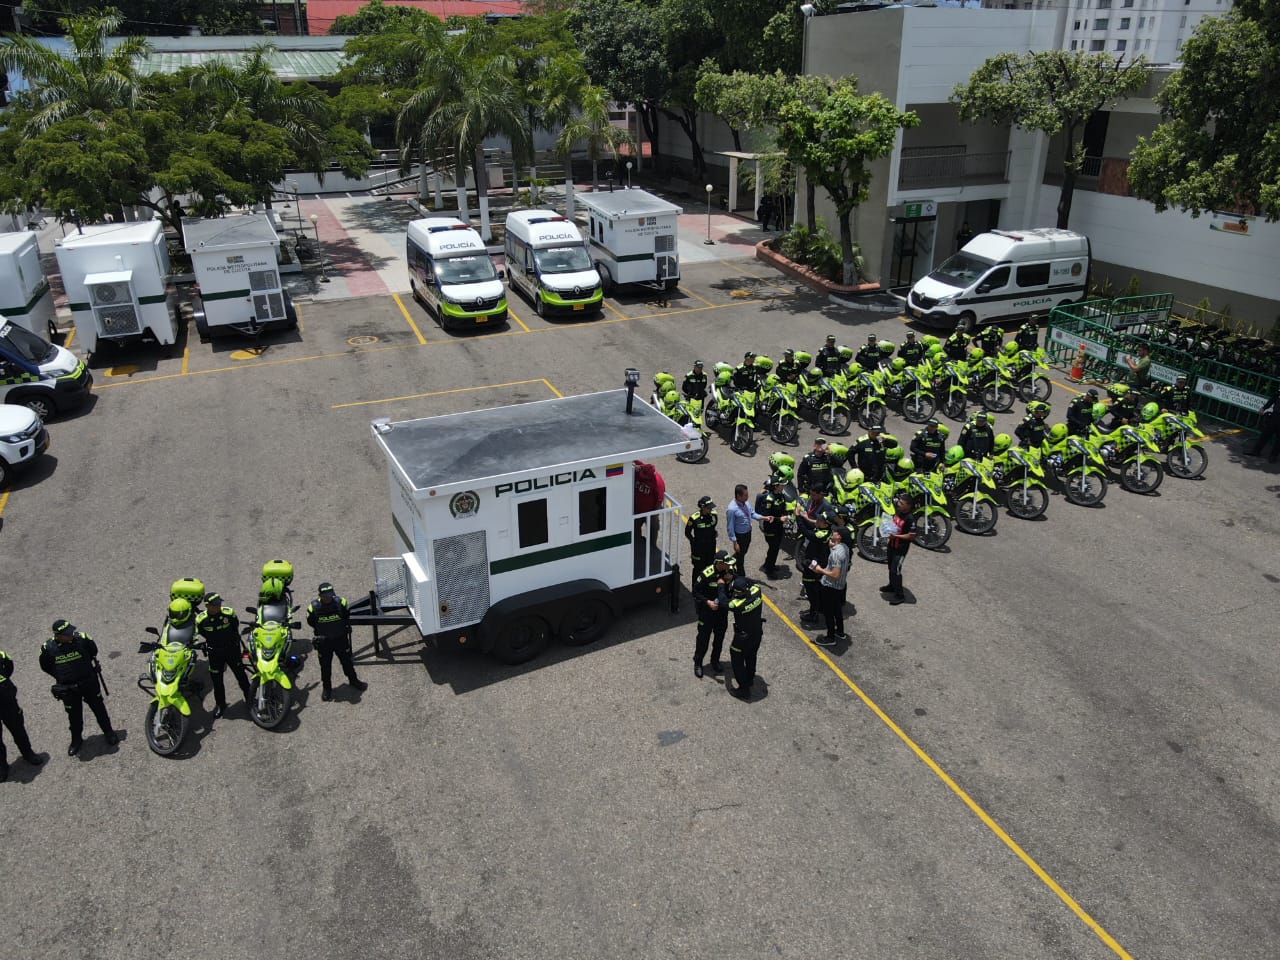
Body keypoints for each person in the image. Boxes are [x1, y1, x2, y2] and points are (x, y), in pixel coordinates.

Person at [39, 619, 117, 756]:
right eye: (67, 634)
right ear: (58, 636)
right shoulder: (48, 648)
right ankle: (76, 740)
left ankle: (109, 732)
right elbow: (45, 666)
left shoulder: (83, 639)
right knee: (74, 716)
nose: (71, 635)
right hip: (68, 689)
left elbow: (93, 651)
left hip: (88, 683)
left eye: (71, 631)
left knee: (99, 709)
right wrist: (62, 675)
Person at [306, 583, 367, 702]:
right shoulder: (313, 607)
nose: (328, 598)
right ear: (320, 595)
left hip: (340, 640)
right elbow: (311, 622)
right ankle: (327, 688)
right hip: (324, 643)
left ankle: (354, 681)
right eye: (326, 596)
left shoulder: (341, 602)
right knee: (325, 667)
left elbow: (346, 615)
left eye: (330, 595)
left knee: (347, 662)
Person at [195, 592, 252, 719]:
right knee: (217, 681)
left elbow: (235, 626)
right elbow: (202, 632)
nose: (219, 606)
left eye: (219, 603)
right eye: (215, 605)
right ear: (208, 606)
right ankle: (221, 704)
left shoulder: (228, 613)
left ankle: (250, 698)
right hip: (215, 653)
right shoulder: (201, 619)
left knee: (241, 675)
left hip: (232, 650)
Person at [0, 649, 43, 781]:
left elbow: (9, 667)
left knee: (18, 730)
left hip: (7, 702)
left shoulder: (1, 655)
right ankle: (2, 766)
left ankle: (28, 753)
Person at [692, 552, 733, 678]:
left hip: (721, 612)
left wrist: (731, 579)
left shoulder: (729, 572)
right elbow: (696, 591)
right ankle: (698, 663)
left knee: (719, 639)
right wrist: (708, 602)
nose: (728, 565)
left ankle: (715, 661)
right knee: (703, 639)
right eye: (726, 563)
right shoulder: (706, 574)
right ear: (719, 563)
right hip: (707, 612)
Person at [810, 526, 851, 647]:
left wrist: (820, 570)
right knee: (837, 609)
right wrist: (832, 546)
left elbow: (835, 574)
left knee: (828, 613)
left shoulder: (836, 554)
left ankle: (830, 637)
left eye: (835, 533)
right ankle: (840, 632)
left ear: (839, 537)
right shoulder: (845, 548)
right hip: (840, 586)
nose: (833, 533)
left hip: (830, 586)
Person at [725, 577, 764, 701]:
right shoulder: (757, 591)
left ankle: (743, 689)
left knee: (736, 658)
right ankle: (750, 679)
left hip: (743, 637)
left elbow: (723, 602)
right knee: (751, 655)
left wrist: (721, 585)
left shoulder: (737, 604)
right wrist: (739, 579)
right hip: (757, 632)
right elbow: (753, 582)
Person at [794, 497, 832, 625]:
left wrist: (798, 517)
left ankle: (814, 613)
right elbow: (810, 526)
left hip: (814, 564)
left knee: (811, 588)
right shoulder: (822, 529)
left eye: (820, 520)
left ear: (826, 524)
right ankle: (818, 608)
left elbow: (806, 532)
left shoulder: (822, 534)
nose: (818, 520)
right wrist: (804, 517)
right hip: (815, 560)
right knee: (816, 588)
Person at [726, 483, 773, 577]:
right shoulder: (732, 509)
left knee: (742, 552)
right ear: (738, 496)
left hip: (748, 533)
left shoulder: (746, 503)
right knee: (740, 558)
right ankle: (741, 577)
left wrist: (764, 518)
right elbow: (730, 527)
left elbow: (752, 513)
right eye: (745, 495)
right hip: (740, 536)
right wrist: (735, 543)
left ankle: (730, 561)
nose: (748, 497)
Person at [881, 495, 917, 605]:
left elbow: (911, 536)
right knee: (890, 567)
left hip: (900, 549)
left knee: (895, 570)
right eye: (899, 502)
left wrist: (896, 536)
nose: (899, 504)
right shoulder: (899, 512)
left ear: (908, 506)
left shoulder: (910, 518)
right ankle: (892, 586)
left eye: (902, 503)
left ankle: (900, 595)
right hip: (891, 545)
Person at [756, 475, 790, 578]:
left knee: (775, 548)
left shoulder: (781, 495)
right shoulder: (769, 499)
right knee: (773, 548)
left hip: (778, 527)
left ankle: (769, 564)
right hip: (770, 528)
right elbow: (766, 516)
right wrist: (780, 519)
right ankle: (769, 570)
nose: (783, 486)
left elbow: (783, 507)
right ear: (776, 486)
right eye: (781, 485)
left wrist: (786, 515)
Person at [684, 496, 718, 585]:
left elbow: (713, 526)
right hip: (699, 549)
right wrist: (693, 542)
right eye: (708, 508)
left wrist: (714, 533)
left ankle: (707, 587)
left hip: (711, 547)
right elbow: (687, 532)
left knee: (710, 568)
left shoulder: (714, 515)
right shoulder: (694, 518)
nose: (710, 509)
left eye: (711, 508)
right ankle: (695, 588)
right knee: (698, 569)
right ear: (702, 507)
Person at [633, 460, 666, 543]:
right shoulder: (640, 468)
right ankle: (638, 542)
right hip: (637, 509)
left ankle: (652, 545)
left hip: (651, 511)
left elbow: (659, 500)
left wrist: (654, 514)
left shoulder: (658, 482)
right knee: (635, 527)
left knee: (653, 528)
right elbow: (633, 459)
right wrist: (633, 466)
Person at [1246, 388, 1280, 461]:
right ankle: (1256, 451)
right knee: (1265, 434)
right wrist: (1264, 408)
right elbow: (1274, 398)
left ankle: (1273, 456)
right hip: (1275, 415)